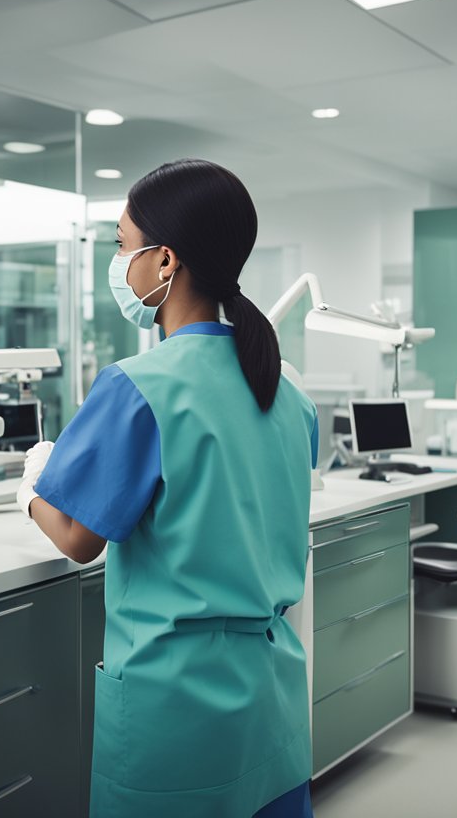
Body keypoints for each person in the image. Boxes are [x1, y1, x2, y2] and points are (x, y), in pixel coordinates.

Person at [17, 159, 318, 817]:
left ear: (164, 262)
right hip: (272, 702)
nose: (118, 262)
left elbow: (76, 538)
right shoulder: (289, 391)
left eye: (123, 245)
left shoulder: (139, 385)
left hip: (177, 708)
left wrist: (32, 489)